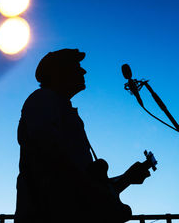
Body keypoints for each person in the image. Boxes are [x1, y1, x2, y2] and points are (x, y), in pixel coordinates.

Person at [14, 48, 151, 223]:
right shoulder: (43, 99)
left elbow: (83, 187)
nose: (83, 71)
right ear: (60, 72)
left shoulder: (63, 109)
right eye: (76, 66)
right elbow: (51, 158)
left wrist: (127, 178)